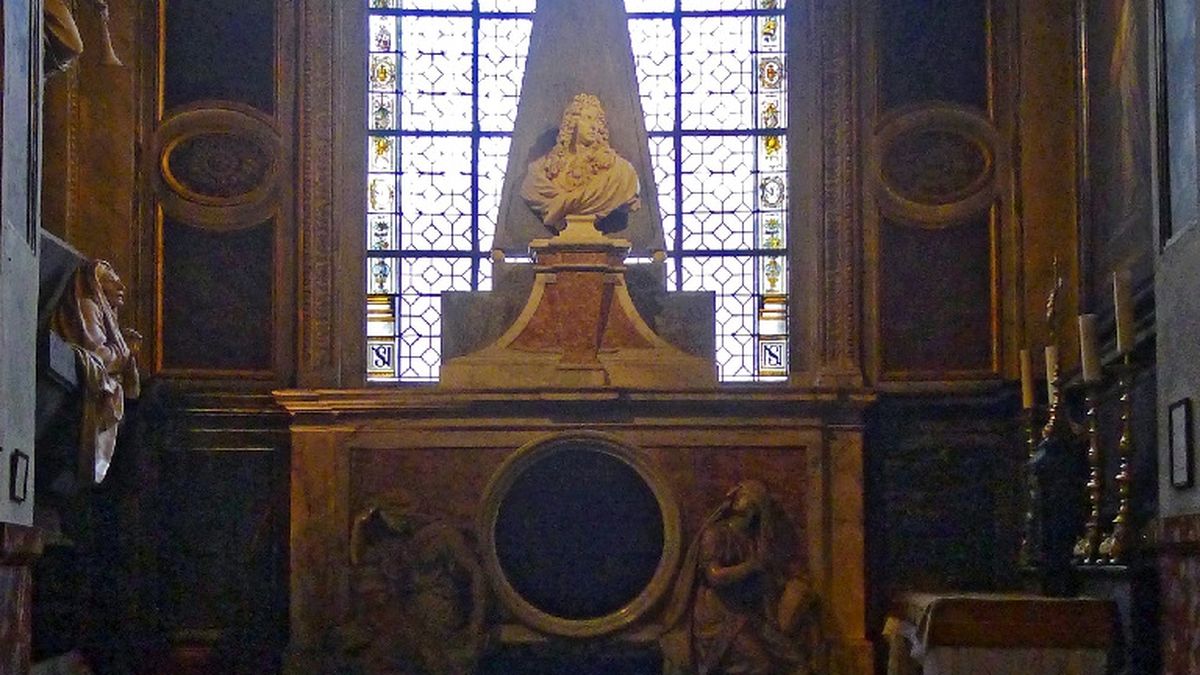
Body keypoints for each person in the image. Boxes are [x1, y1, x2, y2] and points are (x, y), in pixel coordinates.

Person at [660, 480, 817, 675]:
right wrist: (752, 566)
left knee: (792, 658)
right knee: (760, 663)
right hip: (716, 614)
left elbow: (765, 579)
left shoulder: (751, 542)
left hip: (743, 612)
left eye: (758, 505)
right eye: (750, 501)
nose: (755, 510)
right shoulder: (715, 535)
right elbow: (714, 576)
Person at [52, 260, 141, 484]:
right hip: (86, 397)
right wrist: (124, 351)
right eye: (112, 282)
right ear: (95, 284)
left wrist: (125, 352)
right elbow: (97, 354)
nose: (121, 287)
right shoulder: (88, 305)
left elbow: (132, 389)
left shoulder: (103, 312)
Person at [520, 93, 641, 231]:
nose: (594, 126)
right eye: (588, 118)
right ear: (573, 123)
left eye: (597, 121)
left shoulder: (622, 173)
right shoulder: (539, 173)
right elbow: (529, 191)